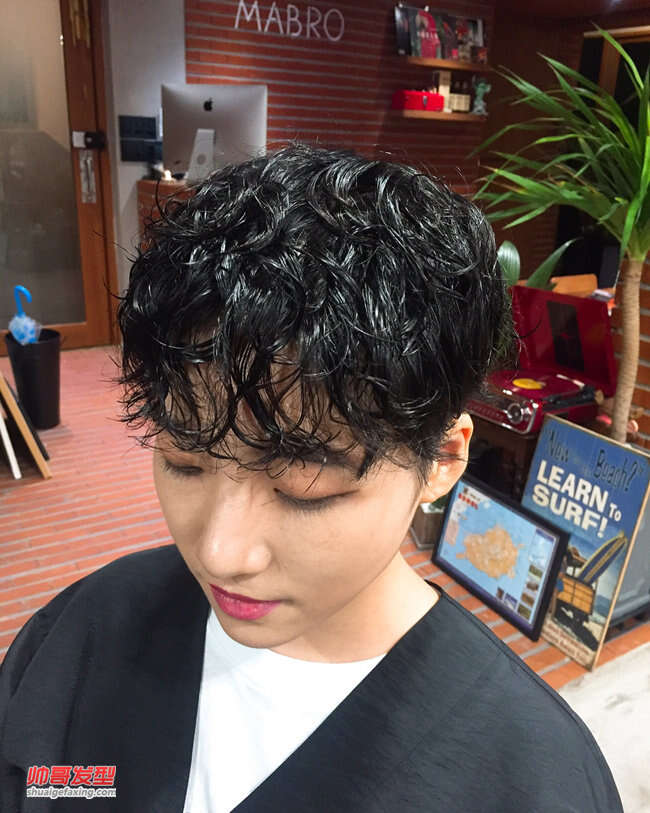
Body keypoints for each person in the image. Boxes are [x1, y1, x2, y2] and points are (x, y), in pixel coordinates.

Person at [0, 143, 623, 812]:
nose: (220, 553)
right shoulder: (83, 633)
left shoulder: (530, 779)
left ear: (441, 460)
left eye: (305, 489)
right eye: (184, 459)